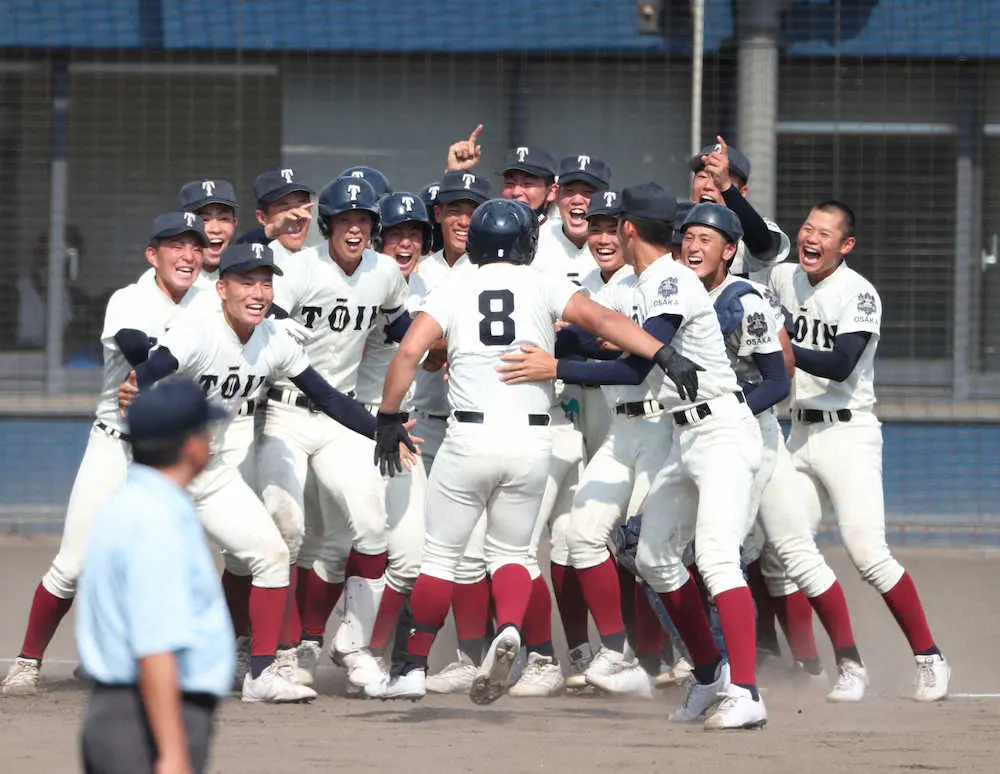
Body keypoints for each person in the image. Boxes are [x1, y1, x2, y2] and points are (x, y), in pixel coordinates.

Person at [364, 198, 689, 704]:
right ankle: (512, 627)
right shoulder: (542, 282)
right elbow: (602, 319)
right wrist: (661, 350)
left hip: (469, 436)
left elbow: (411, 350)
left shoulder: (455, 285)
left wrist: (387, 417)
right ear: (527, 242)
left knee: (441, 558)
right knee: (514, 554)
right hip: (532, 438)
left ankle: (409, 668)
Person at [501, 182, 767, 729]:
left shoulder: (670, 279)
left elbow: (637, 366)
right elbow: (592, 330)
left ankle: (746, 691)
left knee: (716, 558)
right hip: (684, 435)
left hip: (723, 430)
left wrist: (556, 368)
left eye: (614, 223)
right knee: (653, 558)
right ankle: (710, 675)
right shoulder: (637, 283)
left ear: (627, 228)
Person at [121, 241, 403, 703]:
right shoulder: (198, 329)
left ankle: (260, 673)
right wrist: (135, 383)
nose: (258, 292)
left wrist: (382, 429)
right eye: (246, 282)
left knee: (272, 553)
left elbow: (328, 397)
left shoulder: (274, 338)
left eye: (265, 283)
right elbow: (156, 367)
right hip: (164, 473)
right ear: (221, 288)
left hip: (211, 470)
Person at [2, 213, 213, 697]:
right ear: (152, 254)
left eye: (195, 247)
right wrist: (155, 370)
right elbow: (136, 346)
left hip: (174, 457)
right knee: (74, 563)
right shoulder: (129, 298)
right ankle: (28, 661)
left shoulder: (210, 300)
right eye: (176, 245)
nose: (187, 255)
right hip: (116, 443)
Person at [768, 200, 951, 702]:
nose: (812, 238)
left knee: (868, 553)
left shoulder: (859, 292)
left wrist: (782, 348)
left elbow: (841, 363)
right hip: (798, 432)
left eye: (825, 233)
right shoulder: (785, 277)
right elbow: (758, 248)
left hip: (848, 435)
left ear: (845, 245)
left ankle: (930, 657)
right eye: (808, 228)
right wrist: (726, 192)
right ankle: (837, 665)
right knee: (784, 551)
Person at [255, 175, 413, 690]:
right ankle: (281, 651)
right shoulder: (299, 267)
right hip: (285, 410)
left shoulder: (384, 271)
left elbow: (403, 330)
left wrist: (446, 349)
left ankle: (350, 643)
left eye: (364, 219)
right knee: (287, 529)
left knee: (370, 527)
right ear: (328, 224)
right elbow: (267, 327)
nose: (355, 228)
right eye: (345, 219)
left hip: (340, 414)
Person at [77, 377, 233, 774]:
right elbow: (155, 644)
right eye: (204, 430)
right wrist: (172, 752)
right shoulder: (157, 520)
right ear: (190, 445)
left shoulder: (129, 503)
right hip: (145, 721)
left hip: (125, 713)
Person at [351, 192, 434, 679]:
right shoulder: (364, 280)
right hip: (355, 419)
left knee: (410, 555)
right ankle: (295, 646)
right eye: (396, 234)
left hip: (403, 426)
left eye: (415, 234)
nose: (406, 243)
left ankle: (369, 651)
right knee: (334, 544)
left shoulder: (432, 285)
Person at [689, 136, 789, 281]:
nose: (708, 186)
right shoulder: (676, 223)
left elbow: (764, 246)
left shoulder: (750, 228)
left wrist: (726, 188)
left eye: (719, 178)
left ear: (742, 192)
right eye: (703, 176)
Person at [179, 179, 240, 281]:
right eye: (204, 220)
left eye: (223, 219)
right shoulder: (164, 280)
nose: (215, 229)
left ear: (234, 224)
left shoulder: (248, 277)